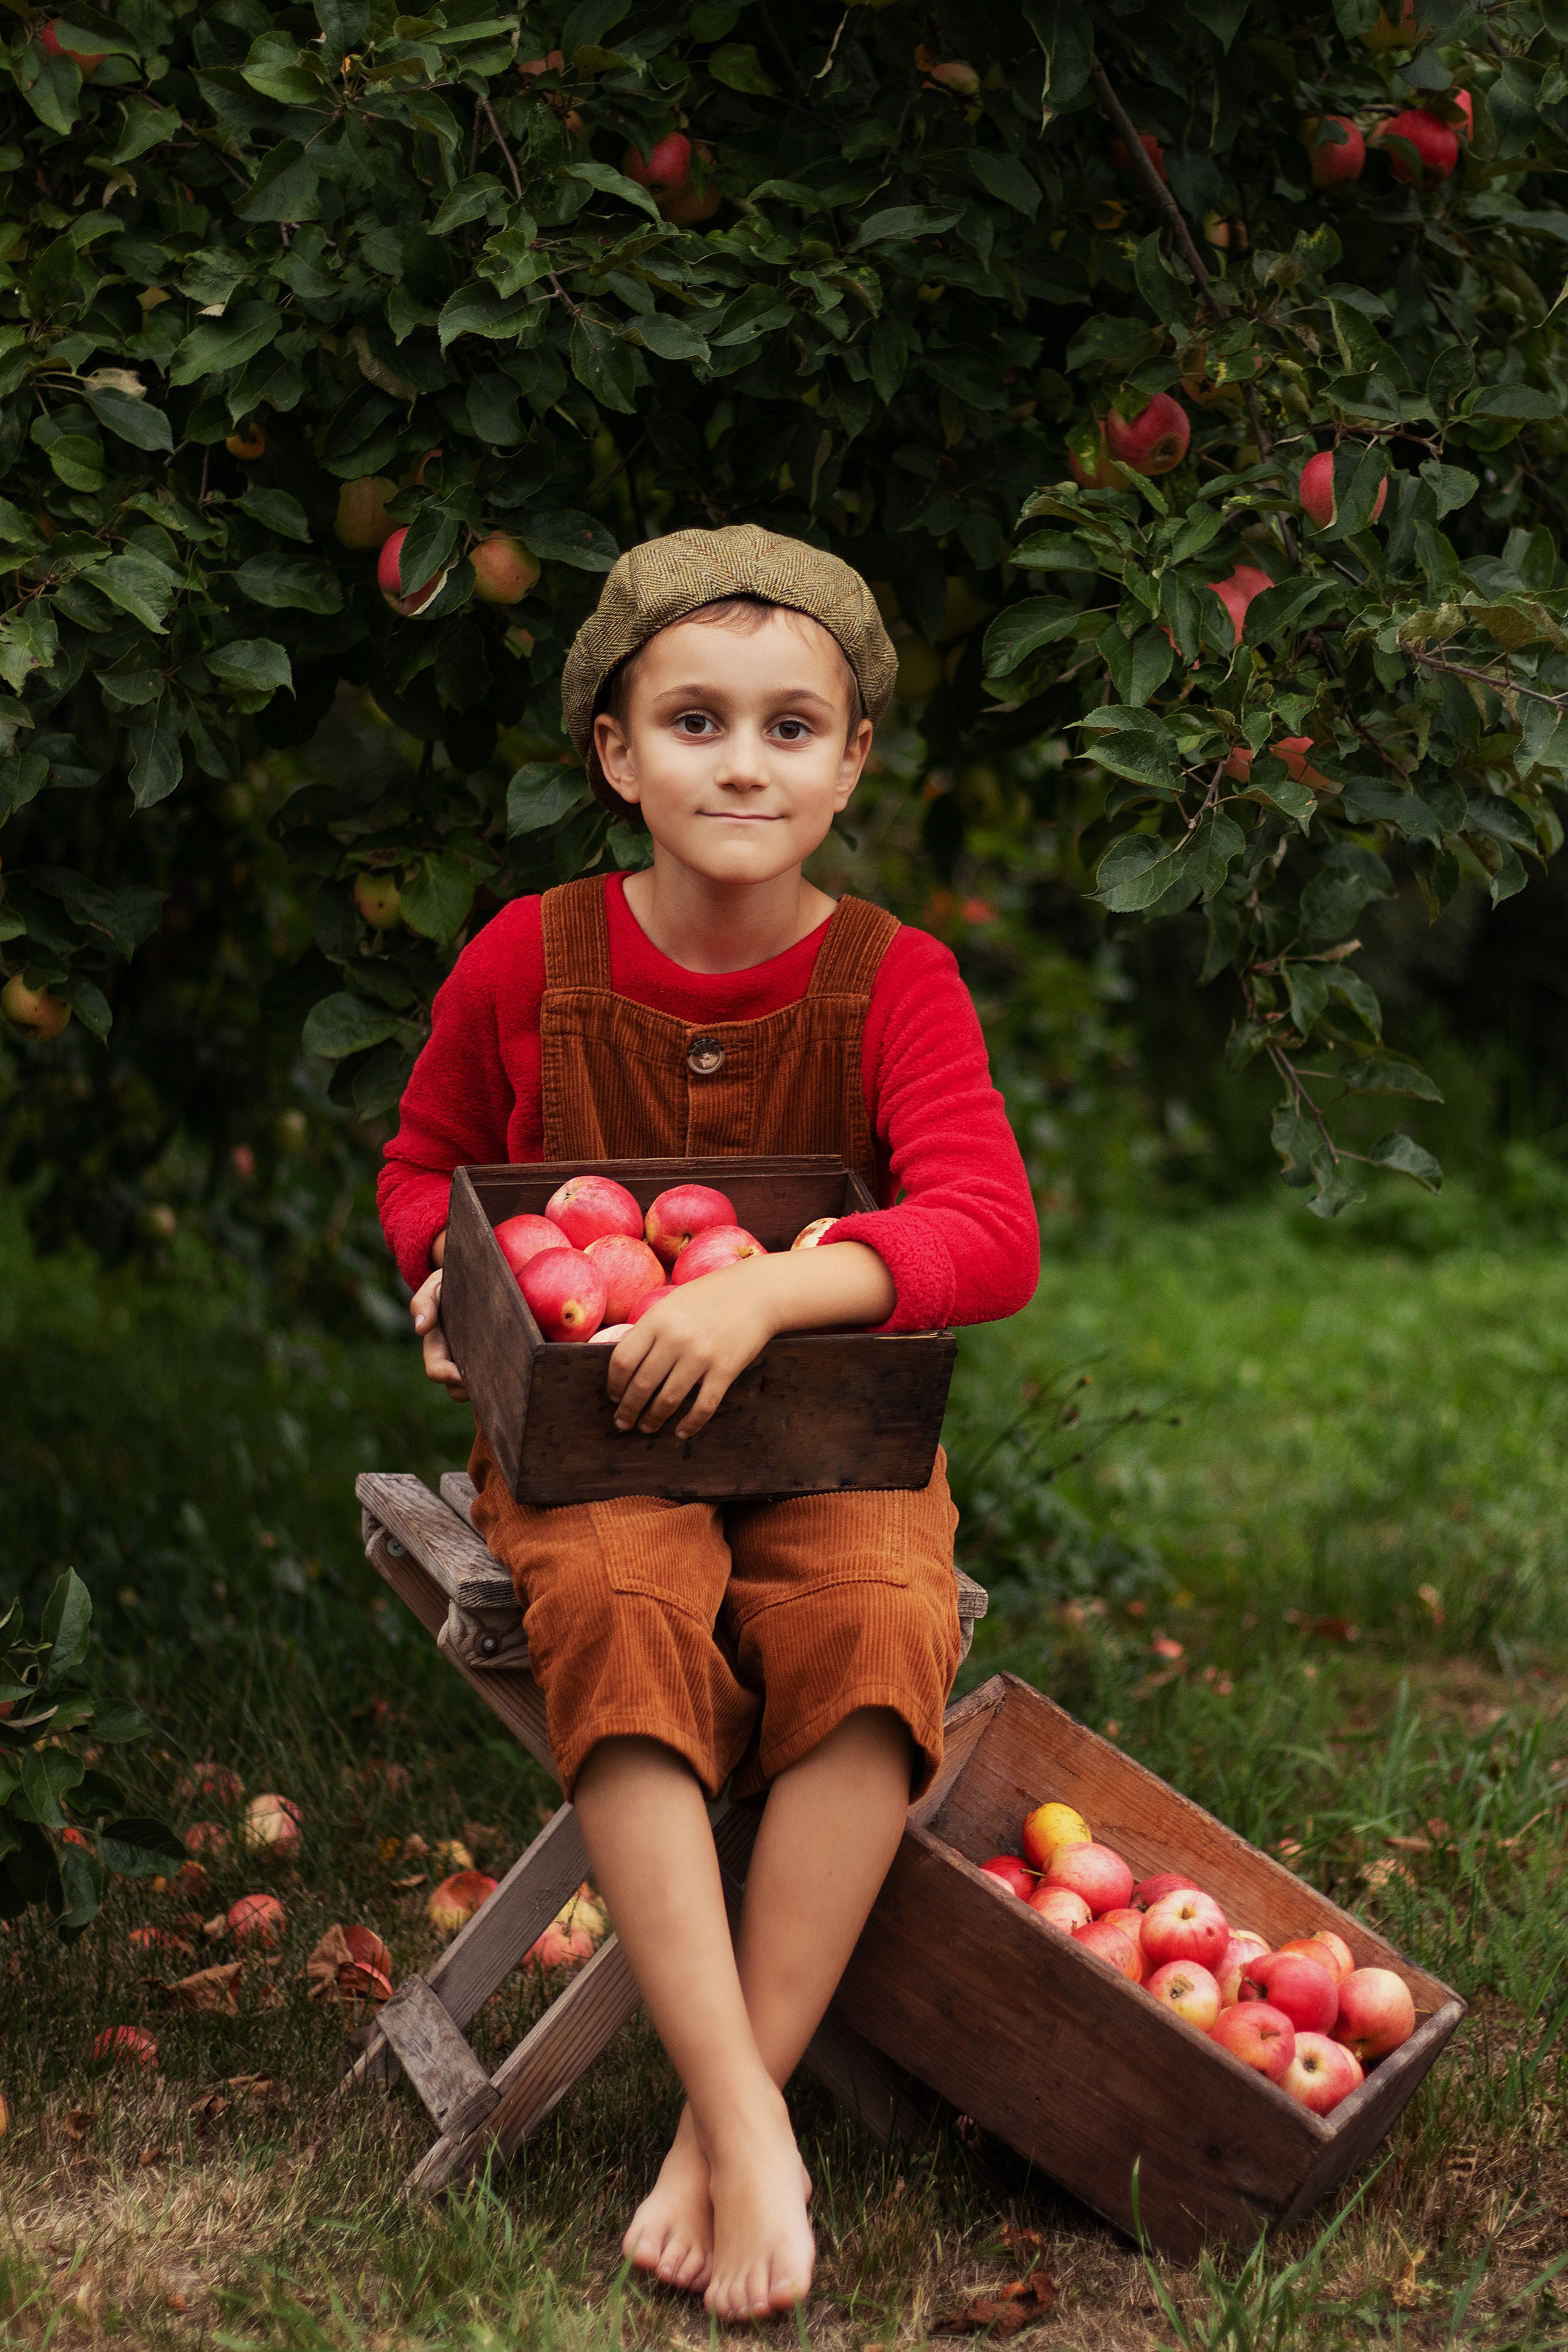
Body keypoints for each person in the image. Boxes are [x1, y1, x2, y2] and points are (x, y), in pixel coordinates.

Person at [378, 524, 1038, 2321]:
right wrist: (446, 1283)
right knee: (618, 1605)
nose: (742, 763)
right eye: (693, 722)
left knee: (876, 1617)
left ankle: (721, 2115)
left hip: (833, 1431)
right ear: (616, 754)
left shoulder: (897, 980)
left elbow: (988, 1229)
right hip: (595, 1445)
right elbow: (431, 1166)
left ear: (850, 762)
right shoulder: (527, 960)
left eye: (788, 727)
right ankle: (752, 2112)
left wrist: (763, 1289)